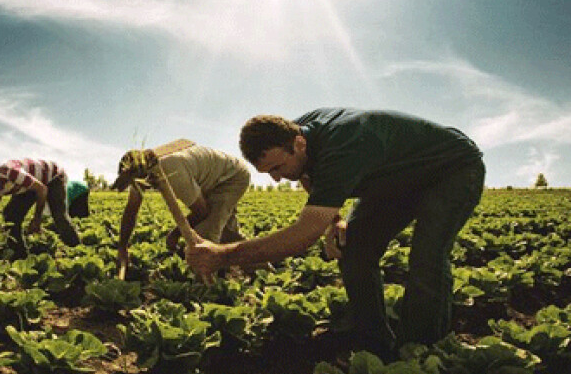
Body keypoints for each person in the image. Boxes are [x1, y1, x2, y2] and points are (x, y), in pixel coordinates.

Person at [185, 109, 485, 351]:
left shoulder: (344, 144)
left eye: (277, 168)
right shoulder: (298, 134)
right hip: (394, 180)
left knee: (427, 255)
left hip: (451, 169)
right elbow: (307, 173)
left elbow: (303, 235)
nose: (276, 179)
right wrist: (335, 219)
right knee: (353, 249)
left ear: (298, 144)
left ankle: (423, 351)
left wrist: (223, 255)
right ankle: (373, 340)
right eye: (268, 173)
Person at [111, 143, 251, 274]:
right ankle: (261, 263)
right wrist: (122, 248)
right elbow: (131, 211)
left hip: (231, 177)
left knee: (205, 234)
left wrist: (175, 234)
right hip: (213, 179)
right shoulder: (141, 171)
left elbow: (201, 211)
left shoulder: (170, 171)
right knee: (228, 234)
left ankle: (206, 289)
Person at [0, 158, 80, 259]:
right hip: (28, 186)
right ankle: (20, 256)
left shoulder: (12, 173)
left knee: (59, 216)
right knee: (10, 216)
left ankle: (76, 249)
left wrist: (36, 219)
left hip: (52, 177)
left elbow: (42, 190)